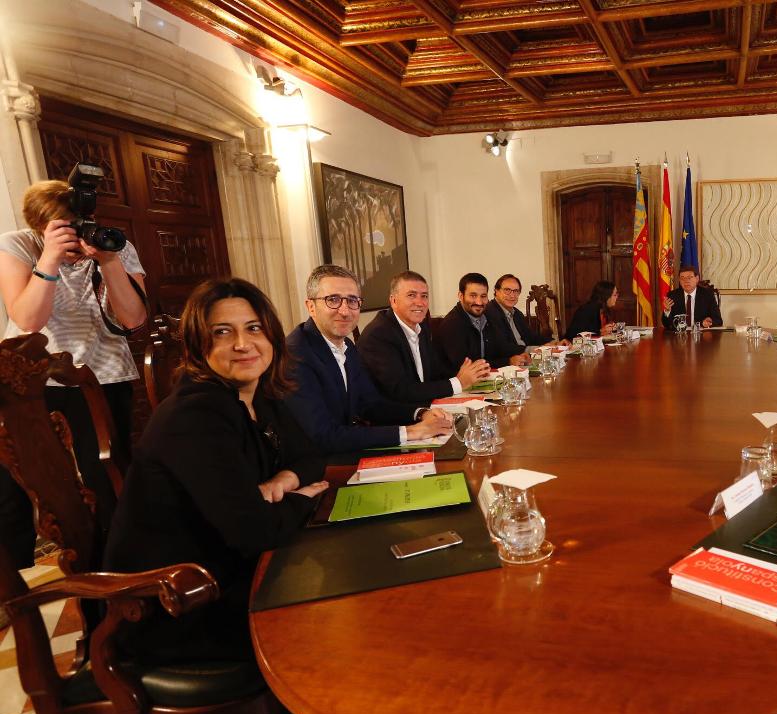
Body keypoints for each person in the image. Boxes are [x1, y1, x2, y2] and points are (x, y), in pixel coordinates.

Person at [102, 278, 329, 662]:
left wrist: (283, 481)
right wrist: (304, 497)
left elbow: (310, 458)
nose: (243, 344)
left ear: (271, 334)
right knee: (334, 618)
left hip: (227, 569)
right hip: (176, 606)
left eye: (253, 328)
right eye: (222, 332)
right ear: (197, 345)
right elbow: (255, 530)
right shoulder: (195, 414)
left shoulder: (257, 394)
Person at [0, 179, 148, 571]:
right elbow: (28, 319)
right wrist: (48, 261)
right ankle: (14, 585)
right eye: (62, 228)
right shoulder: (17, 245)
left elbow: (133, 319)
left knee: (108, 475)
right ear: (39, 228)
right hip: (31, 381)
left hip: (104, 375)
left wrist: (110, 262)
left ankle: (115, 564)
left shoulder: (112, 245)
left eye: (79, 223)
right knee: (22, 481)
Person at [286, 265, 451, 454]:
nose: (345, 311)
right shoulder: (296, 353)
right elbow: (325, 435)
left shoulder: (347, 346)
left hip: (347, 450)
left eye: (352, 301)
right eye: (333, 300)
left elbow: (370, 404)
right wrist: (410, 432)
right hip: (320, 467)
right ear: (311, 307)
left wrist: (421, 413)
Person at [358, 271, 491, 404]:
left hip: (425, 406)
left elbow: (435, 371)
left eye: (424, 296)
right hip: (397, 417)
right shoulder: (379, 335)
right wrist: (458, 382)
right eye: (411, 295)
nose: (420, 303)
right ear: (393, 301)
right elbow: (401, 391)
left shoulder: (421, 327)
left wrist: (464, 375)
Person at [436, 272, 530, 369]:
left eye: (483, 296)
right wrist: (508, 361)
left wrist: (521, 355)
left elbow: (500, 346)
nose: (479, 302)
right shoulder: (452, 324)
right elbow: (468, 367)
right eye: (473, 295)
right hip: (460, 382)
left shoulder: (485, 317)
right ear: (461, 296)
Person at [485, 274, 557, 357]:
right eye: (507, 290)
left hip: (525, 357)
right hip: (509, 362)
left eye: (516, 291)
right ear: (496, 291)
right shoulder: (490, 312)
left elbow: (531, 336)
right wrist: (537, 349)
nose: (512, 295)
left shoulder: (517, 313)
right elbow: (502, 347)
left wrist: (553, 342)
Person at [662, 265, 722, 329]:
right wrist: (667, 311)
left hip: (701, 335)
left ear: (697, 279)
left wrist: (708, 322)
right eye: (682, 278)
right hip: (680, 335)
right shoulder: (673, 295)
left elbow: (718, 321)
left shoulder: (707, 295)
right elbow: (666, 324)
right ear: (679, 280)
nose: (686, 281)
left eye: (689, 277)